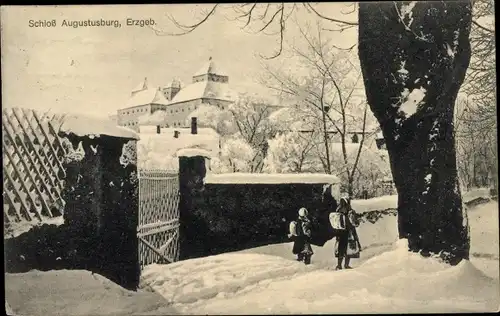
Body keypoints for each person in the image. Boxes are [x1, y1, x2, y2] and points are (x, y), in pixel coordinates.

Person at [334, 197, 362, 270]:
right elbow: (355, 223)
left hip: (340, 233)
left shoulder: (338, 211)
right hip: (349, 232)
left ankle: (339, 265)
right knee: (349, 249)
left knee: (341, 248)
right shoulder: (350, 211)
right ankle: (346, 265)